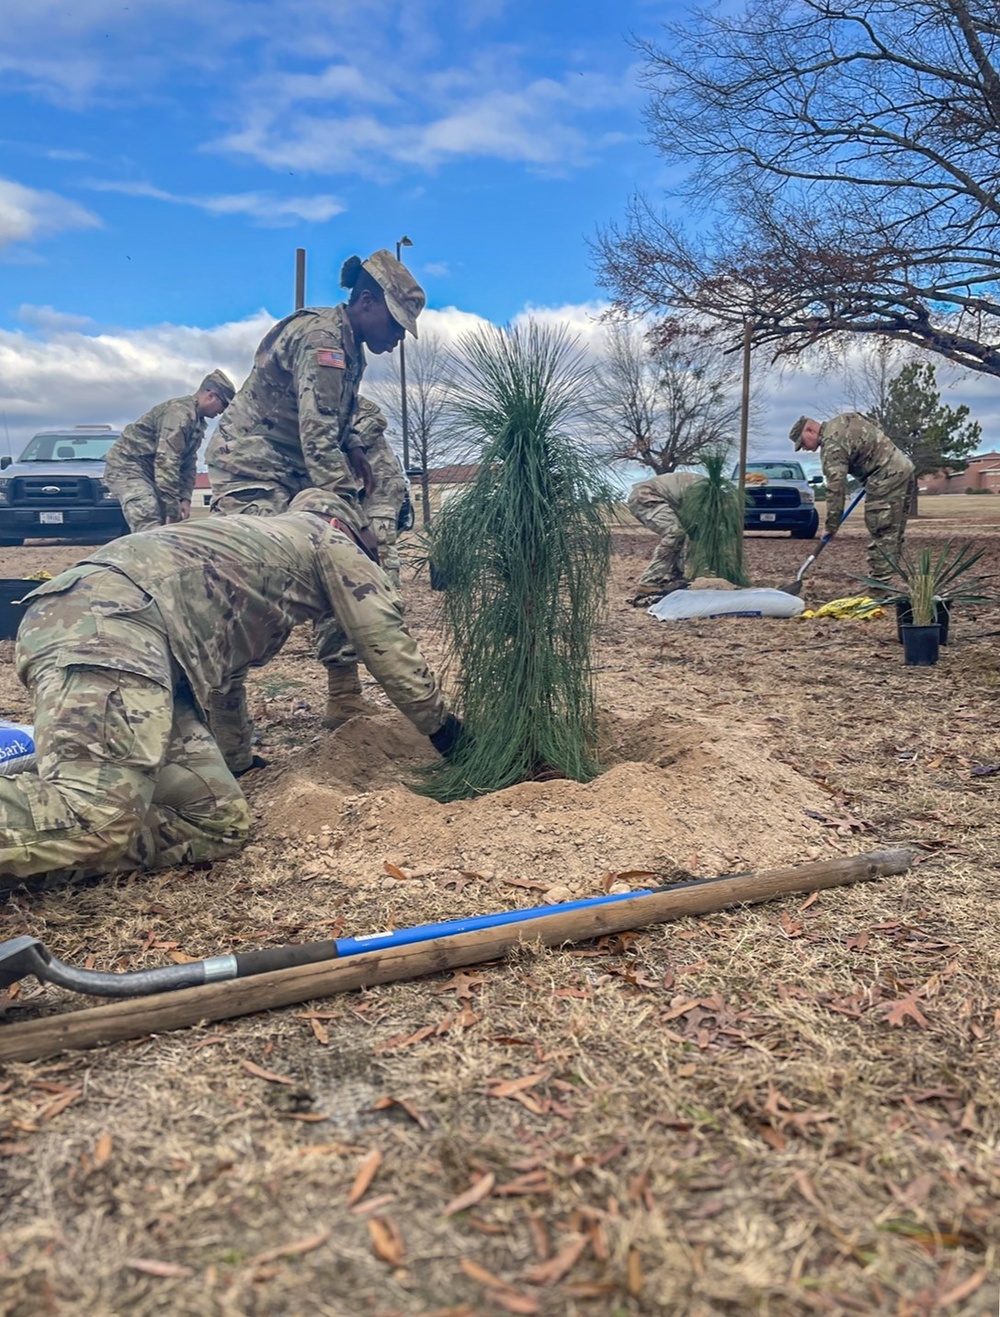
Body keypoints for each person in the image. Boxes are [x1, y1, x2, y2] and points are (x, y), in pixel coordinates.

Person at [0, 489, 461, 885]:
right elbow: (384, 642)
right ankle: (75, 819)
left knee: (218, 822)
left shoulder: (259, 550)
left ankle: (36, 845)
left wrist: (237, 760)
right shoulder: (330, 540)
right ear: (349, 527)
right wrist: (445, 731)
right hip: (106, 627)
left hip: (137, 639)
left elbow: (225, 676)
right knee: (97, 817)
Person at [206, 250, 424, 735]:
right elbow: (316, 436)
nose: (396, 338)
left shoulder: (351, 346)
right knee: (253, 583)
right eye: (395, 323)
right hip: (252, 468)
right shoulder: (324, 339)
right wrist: (360, 520)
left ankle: (344, 698)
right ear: (367, 302)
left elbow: (332, 422)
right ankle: (224, 729)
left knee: (339, 562)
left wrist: (355, 448)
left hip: (296, 469)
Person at [790, 413, 915, 582]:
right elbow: (877, 427)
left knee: (882, 531)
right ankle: (892, 584)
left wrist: (831, 525)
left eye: (802, 443)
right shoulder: (846, 418)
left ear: (810, 430)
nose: (803, 448)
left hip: (885, 477)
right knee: (893, 533)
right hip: (903, 468)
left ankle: (878, 590)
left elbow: (836, 487)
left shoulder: (831, 445)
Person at [104, 371, 236, 532]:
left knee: (165, 522)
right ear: (211, 396)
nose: (222, 412)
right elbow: (167, 461)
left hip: (153, 472)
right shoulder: (178, 414)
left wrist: (185, 499)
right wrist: (173, 510)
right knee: (147, 515)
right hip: (127, 467)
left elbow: (188, 464)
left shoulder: (197, 422)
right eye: (224, 405)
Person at [626, 470, 699, 597]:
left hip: (663, 498)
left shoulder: (704, 489)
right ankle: (648, 582)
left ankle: (675, 576)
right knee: (675, 532)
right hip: (646, 497)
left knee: (680, 534)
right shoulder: (703, 492)